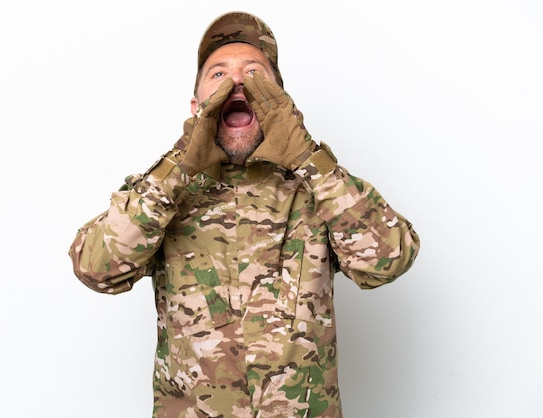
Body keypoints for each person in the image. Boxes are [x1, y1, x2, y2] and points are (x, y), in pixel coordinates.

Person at [69, 11, 420, 418]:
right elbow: (96, 268)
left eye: (254, 73)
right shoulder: (162, 191)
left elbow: (389, 260)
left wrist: (308, 157)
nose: (237, 82)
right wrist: (179, 166)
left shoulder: (319, 188)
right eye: (218, 74)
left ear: (280, 104)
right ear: (196, 105)